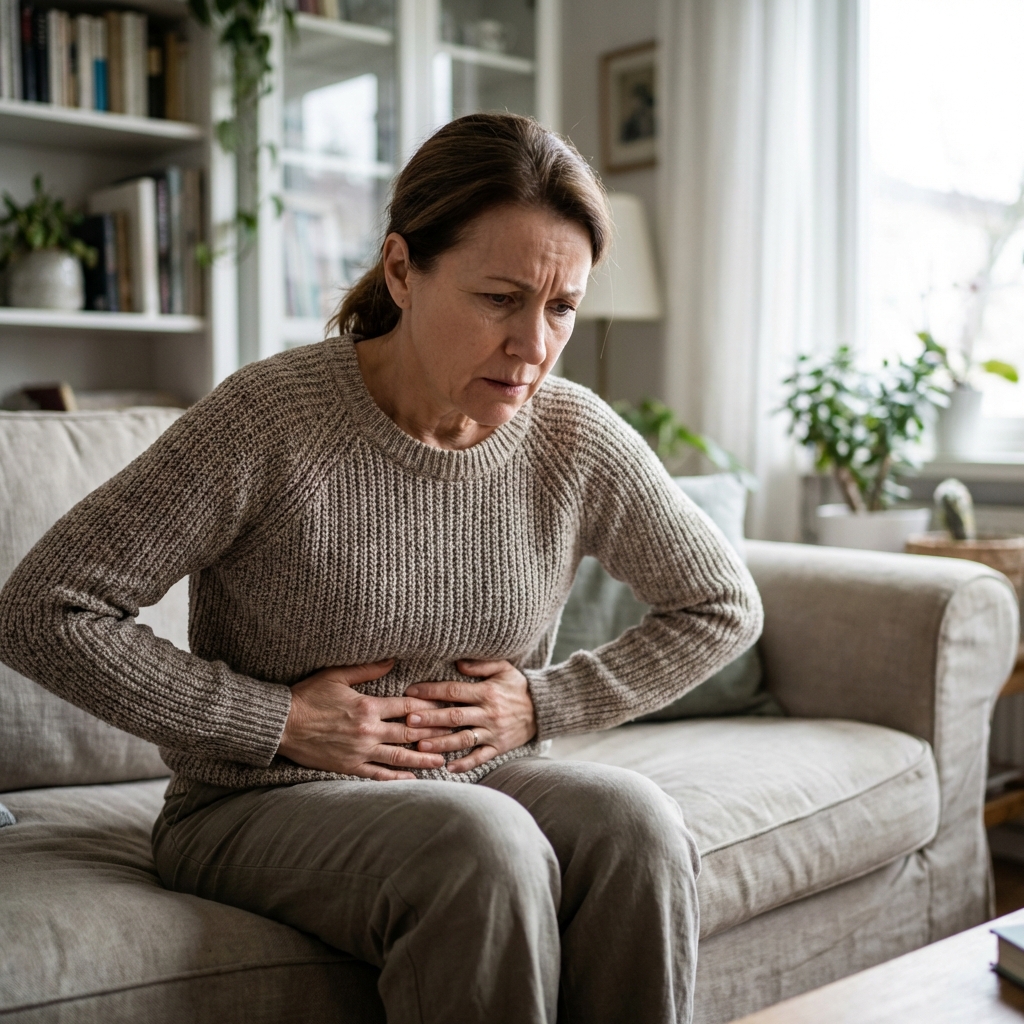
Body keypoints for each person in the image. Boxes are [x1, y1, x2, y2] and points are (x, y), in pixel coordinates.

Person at [0, 113, 762, 1024]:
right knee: (484, 845)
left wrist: (544, 704)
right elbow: (43, 608)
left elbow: (722, 604)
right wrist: (276, 718)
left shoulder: (574, 433)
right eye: (499, 298)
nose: (534, 345)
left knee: (637, 823)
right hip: (251, 805)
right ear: (402, 270)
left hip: (474, 781)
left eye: (561, 307)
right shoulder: (270, 419)